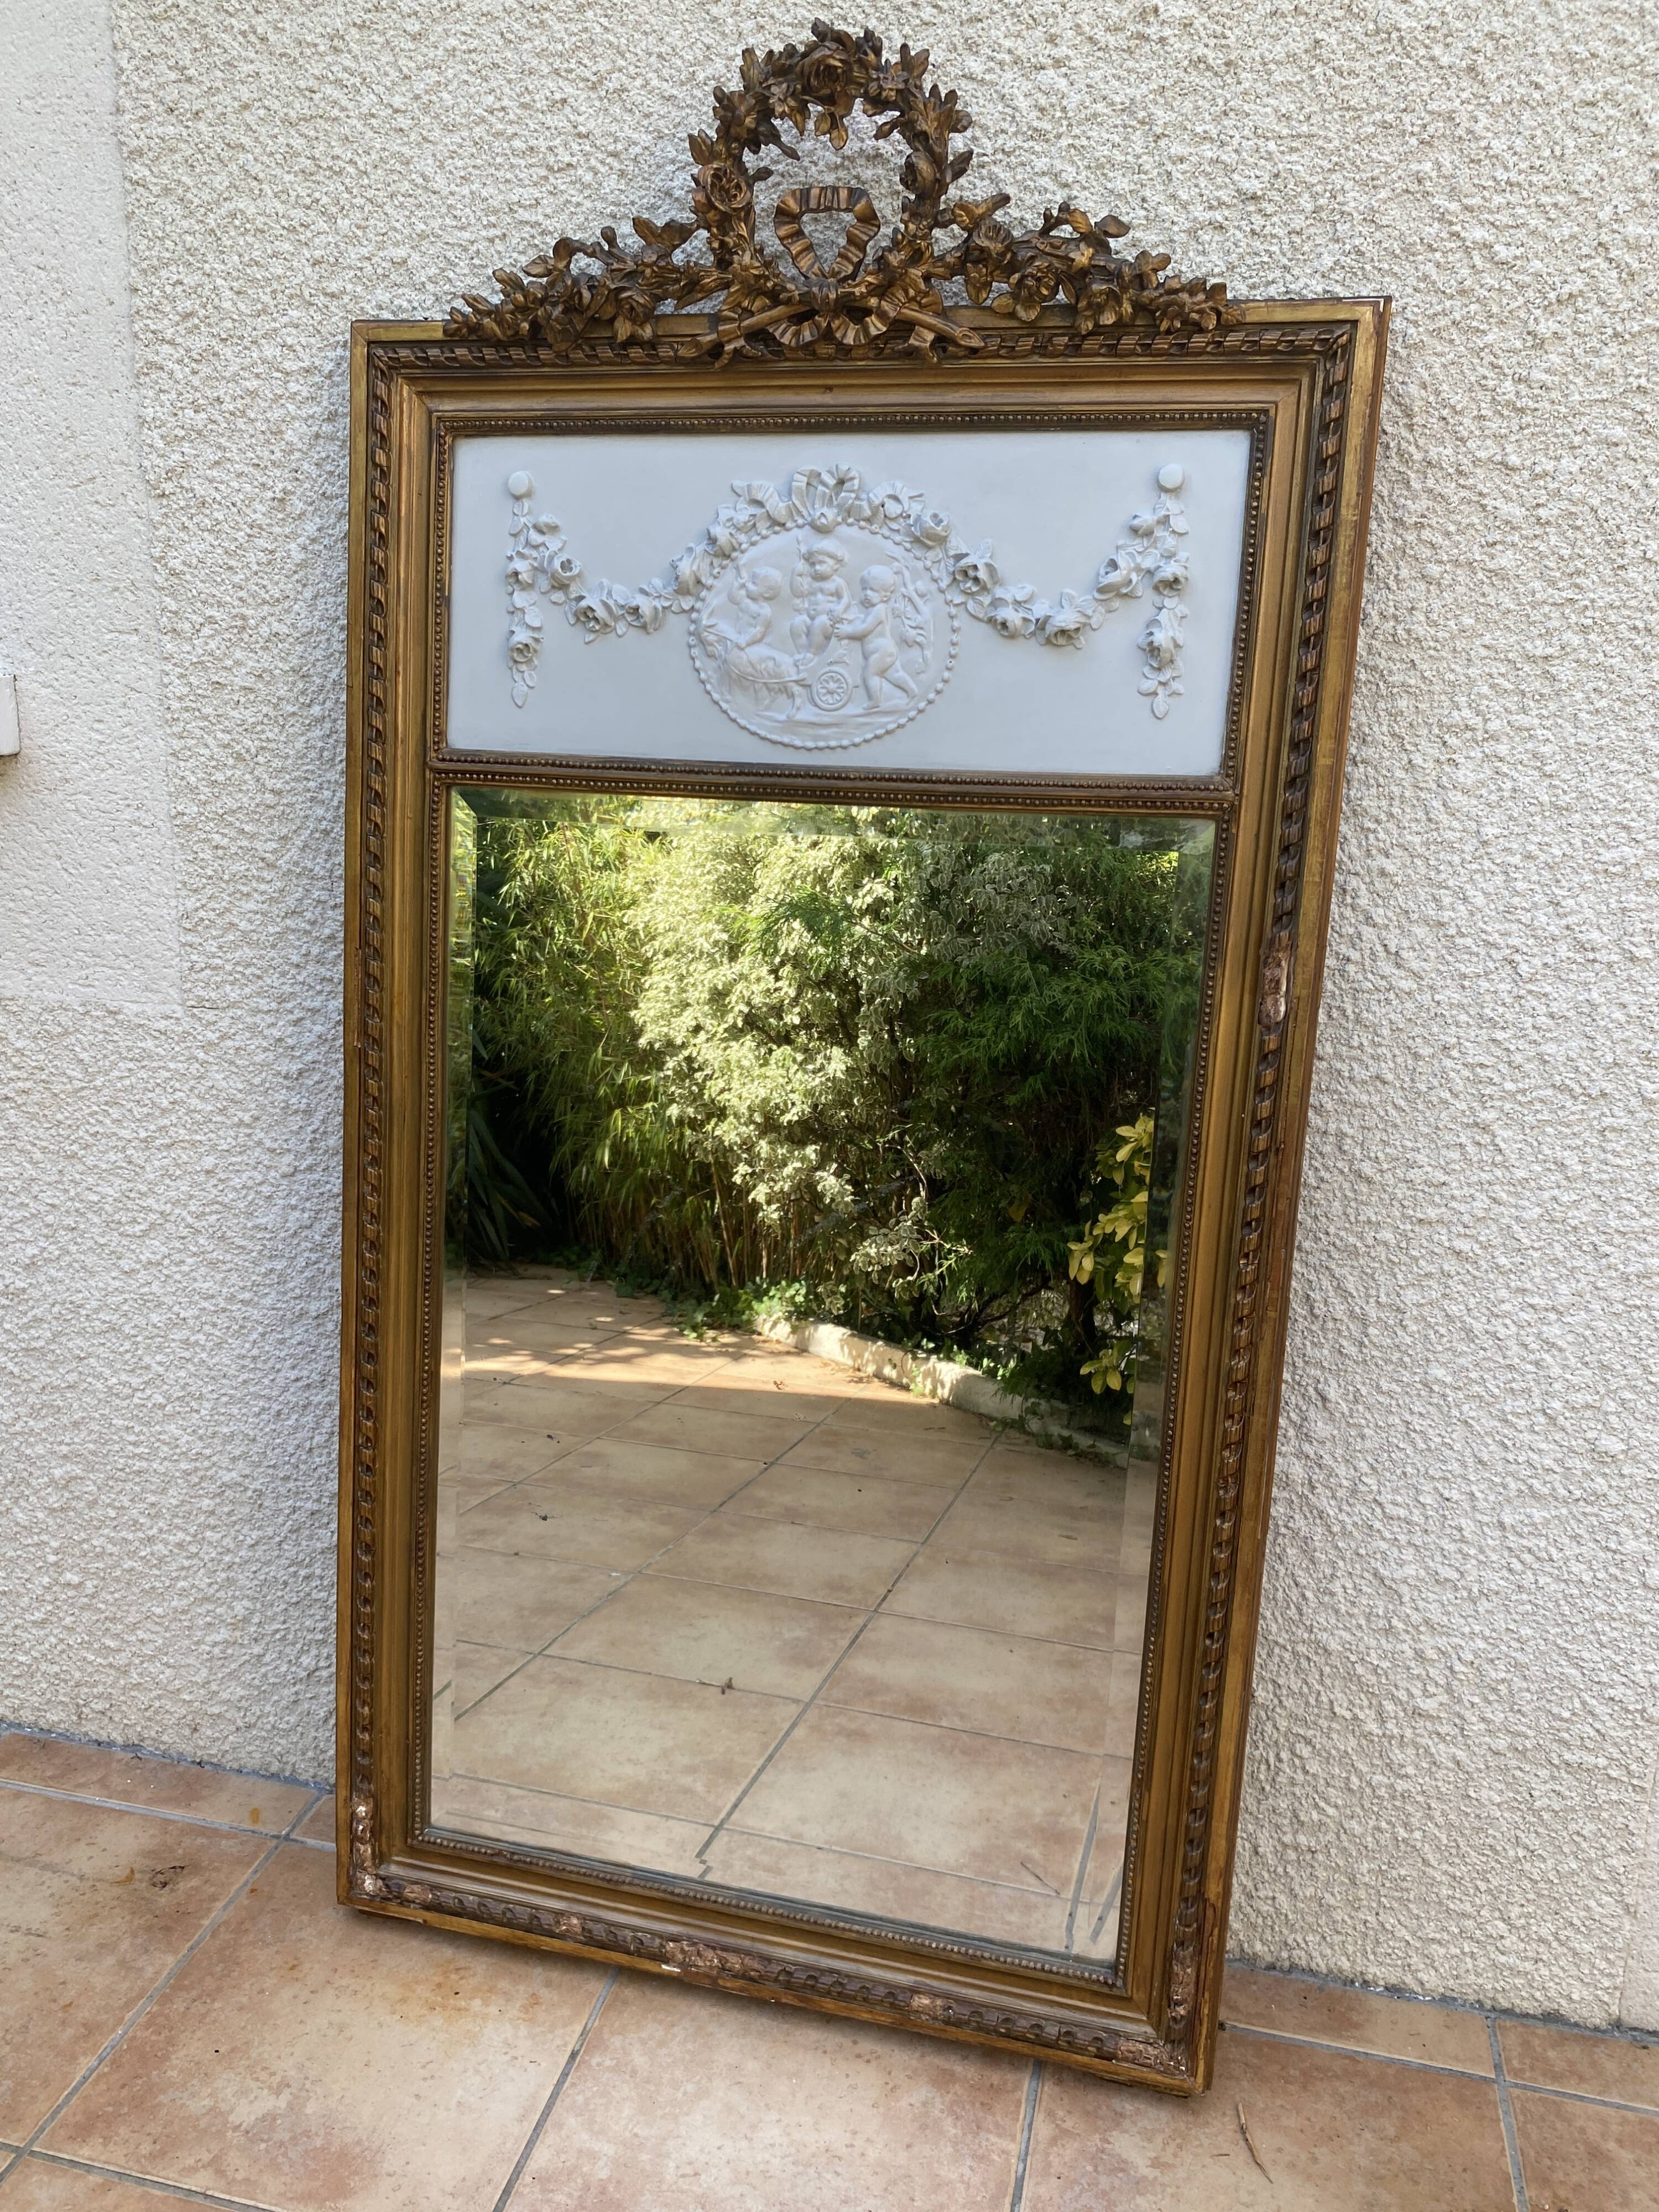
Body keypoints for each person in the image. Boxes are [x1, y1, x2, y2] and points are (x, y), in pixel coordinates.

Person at [837, 565, 921, 709]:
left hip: (881, 652)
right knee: (895, 675)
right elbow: (862, 621)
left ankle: (875, 701)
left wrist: (847, 632)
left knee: (870, 674)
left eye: (873, 591)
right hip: (884, 652)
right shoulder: (872, 610)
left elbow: (865, 630)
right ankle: (912, 692)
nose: (867, 594)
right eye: (865, 590)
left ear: (886, 596)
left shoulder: (879, 610)